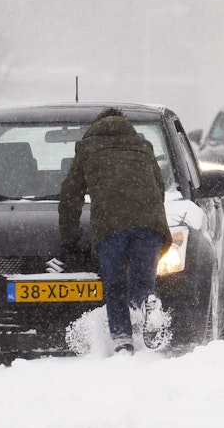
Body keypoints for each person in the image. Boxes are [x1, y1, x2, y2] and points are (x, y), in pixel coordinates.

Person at [58, 107, 172, 354]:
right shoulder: (143, 146)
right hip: (149, 224)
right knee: (142, 280)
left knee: (115, 284)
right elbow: (159, 187)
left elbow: (71, 196)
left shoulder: (88, 148)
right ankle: (146, 302)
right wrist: (147, 215)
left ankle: (122, 341)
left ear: (97, 125)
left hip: (111, 226)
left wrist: (70, 238)